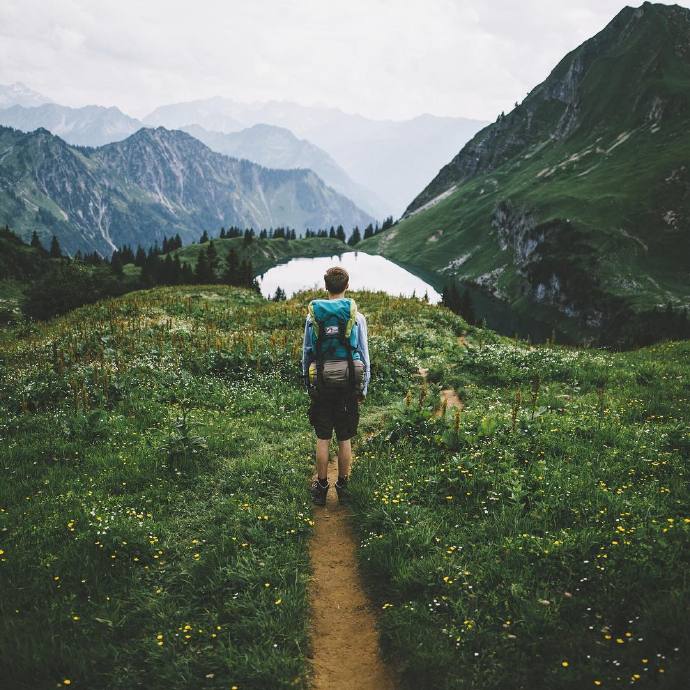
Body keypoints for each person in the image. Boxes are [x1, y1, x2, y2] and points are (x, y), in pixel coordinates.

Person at [302, 266, 370, 505]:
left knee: (322, 438)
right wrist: (363, 387)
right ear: (347, 286)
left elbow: (307, 354)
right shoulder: (356, 317)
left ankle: (321, 487)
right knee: (344, 438)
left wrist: (308, 383)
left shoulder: (313, 317)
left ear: (326, 286)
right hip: (348, 383)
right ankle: (343, 486)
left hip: (321, 383)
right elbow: (363, 353)